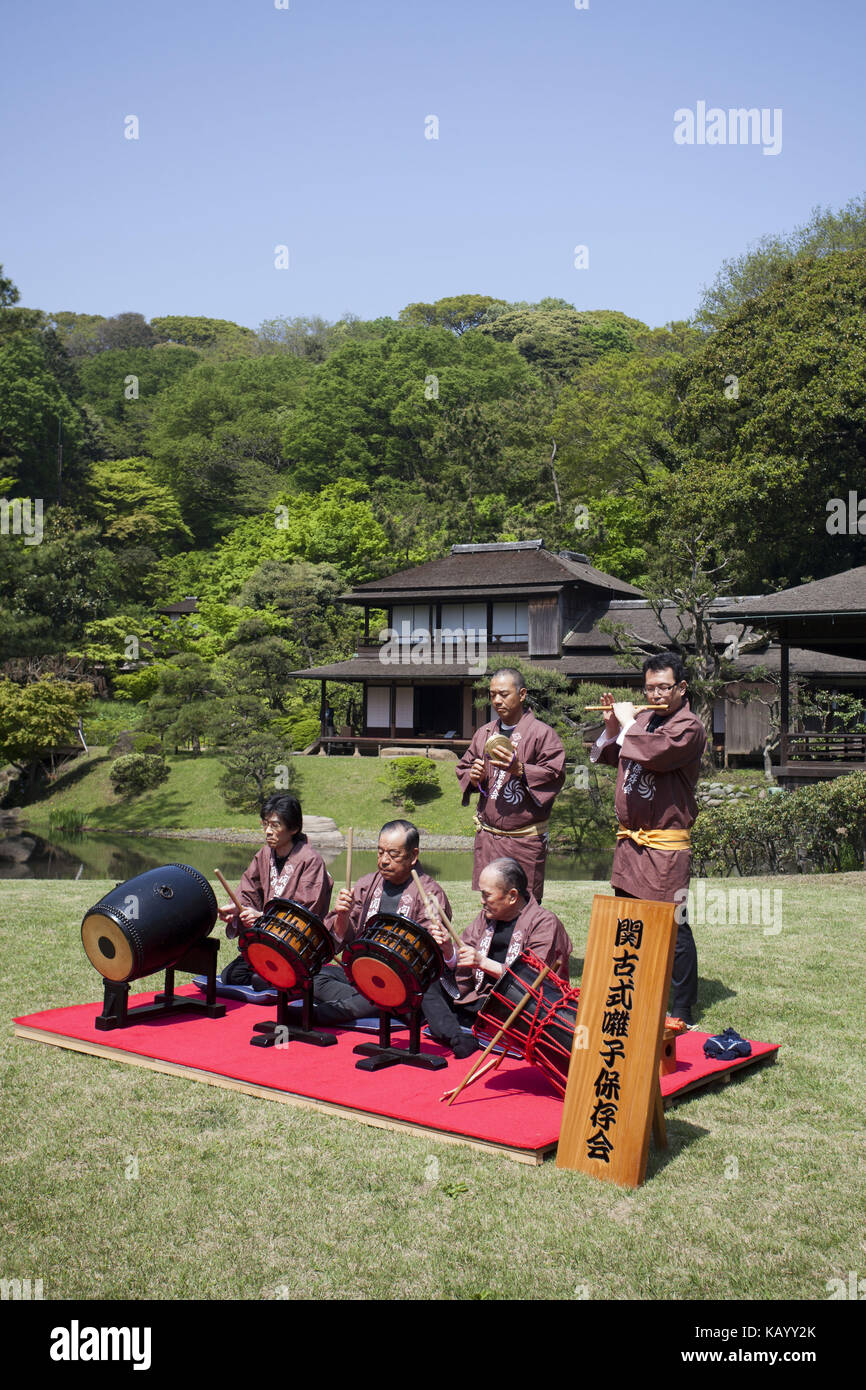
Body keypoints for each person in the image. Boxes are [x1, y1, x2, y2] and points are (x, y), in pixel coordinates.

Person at [590, 650, 706, 1025]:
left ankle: (683, 1006)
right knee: (629, 918)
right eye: (649, 687)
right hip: (630, 840)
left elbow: (654, 753)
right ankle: (633, 995)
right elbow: (614, 756)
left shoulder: (689, 727)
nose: (655, 695)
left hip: (664, 843)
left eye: (663, 687)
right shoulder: (641, 720)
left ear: (681, 687)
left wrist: (626, 725)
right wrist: (612, 726)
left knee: (673, 922)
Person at [422, 857, 573, 1057]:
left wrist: (483, 963)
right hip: (479, 1000)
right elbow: (464, 961)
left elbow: (534, 979)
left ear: (512, 896)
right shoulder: (486, 917)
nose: (482, 901)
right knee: (428, 981)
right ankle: (457, 1036)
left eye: (487, 895)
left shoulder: (544, 923)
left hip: (517, 1009)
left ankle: (454, 1032)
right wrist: (449, 950)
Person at [314, 819, 452, 1025]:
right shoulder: (366, 884)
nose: (384, 860)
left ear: (413, 855)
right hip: (363, 975)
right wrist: (342, 915)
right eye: (380, 852)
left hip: (401, 982)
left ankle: (356, 1007)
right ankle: (374, 1004)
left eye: (393, 854)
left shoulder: (429, 894)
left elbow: (426, 957)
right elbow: (340, 940)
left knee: (394, 995)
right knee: (314, 976)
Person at [456, 668, 566, 902]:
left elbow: (554, 774)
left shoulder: (542, 734)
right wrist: (474, 776)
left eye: (504, 694)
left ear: (522, 694)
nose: (497, 700)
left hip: (523, 841)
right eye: (493, 694)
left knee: (524, 906)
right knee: (490, 904)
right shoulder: (484, 733)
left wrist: (521, 770)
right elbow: (464, 767)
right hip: (489, 838)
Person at [217, 793, 333, 989]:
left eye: (275, 825)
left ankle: (296, 979)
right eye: (265, 824)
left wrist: (261, 917)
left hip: (295, 948)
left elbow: (306, 914)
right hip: (268, 943)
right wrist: (236, 909)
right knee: (232, 975)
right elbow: (248, 890)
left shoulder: (311, 861)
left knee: (259, 980)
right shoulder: (264, 854)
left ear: (294, 828)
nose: (268, 832)